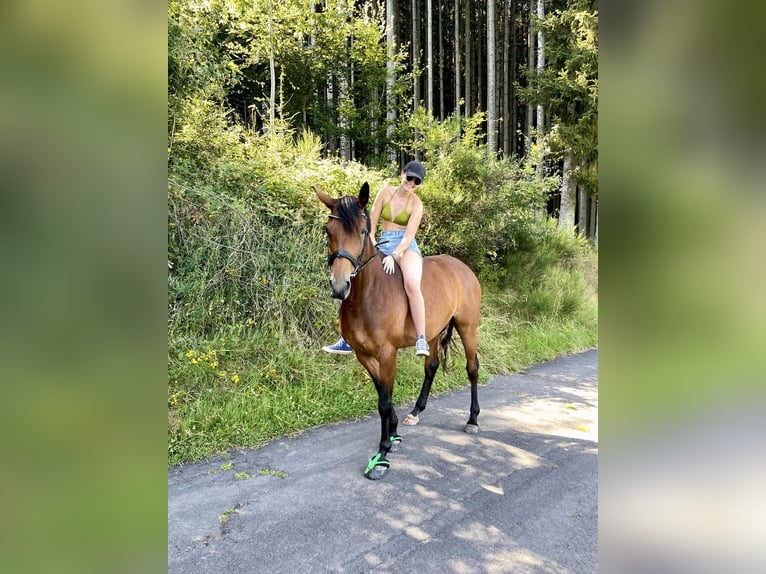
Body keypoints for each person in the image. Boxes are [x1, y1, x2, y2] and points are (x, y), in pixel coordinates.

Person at [322, 160, 430, 357]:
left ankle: (421, 337)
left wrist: (395, 255)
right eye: (409, 178)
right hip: (383, 241)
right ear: (402, 174)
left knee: (412, 284)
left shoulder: (416, 204)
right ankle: (346, 338)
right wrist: (371, 241)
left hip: (405, 248)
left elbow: (409, 236)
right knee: (354, 276)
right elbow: (370, 220)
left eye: (416, 181)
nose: (411, 183)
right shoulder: (384, 193)